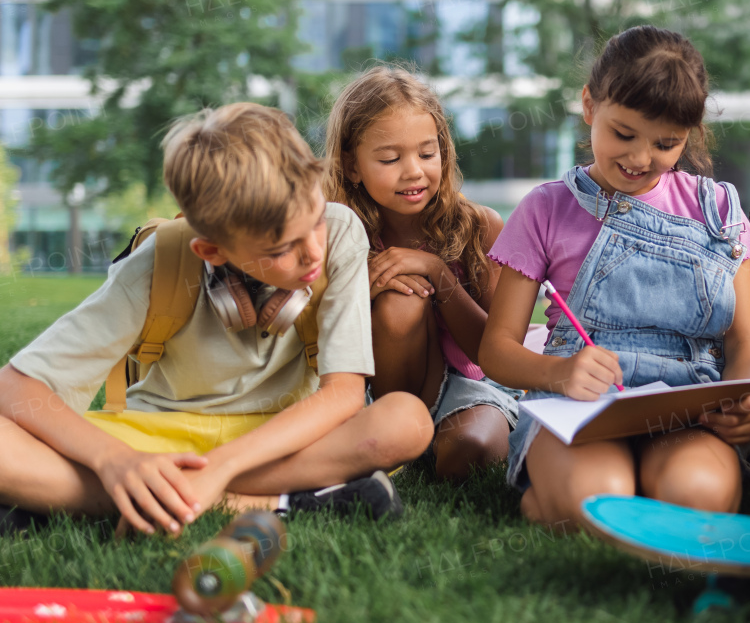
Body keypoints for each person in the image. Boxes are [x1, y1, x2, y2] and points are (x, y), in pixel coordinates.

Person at [0, 104, 434, 537]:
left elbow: (343, 395)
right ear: (211, 251)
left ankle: (106, 501)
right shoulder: (157, 265)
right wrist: (114, 461)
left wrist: (221, 468)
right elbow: (14, 386)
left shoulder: (341, 232)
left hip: (281, 438)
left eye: (316, 220)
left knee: (407, 421)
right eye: (281, 249)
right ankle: (286, 501)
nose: (313, 253)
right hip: (158, 439)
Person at [479, 26, 750, 529]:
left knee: (694, 501)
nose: (639, 159)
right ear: (589, 105)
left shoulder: (720, 210)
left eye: (666, 143)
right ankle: (553, 497)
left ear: (691, 133)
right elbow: (496, 350)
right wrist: (560, 373)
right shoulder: (546, 208)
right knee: (599, 506)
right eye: (623, 134)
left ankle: (558, 498)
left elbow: (746, 343)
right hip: (577, 408)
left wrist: (739, 400)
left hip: (686, 413)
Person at [324, 66, 519, 481]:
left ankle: (429, 442)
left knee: (473, 451)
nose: (413, 171)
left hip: (468, 388)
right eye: (390, 158)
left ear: (443, 153)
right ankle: (399, 439)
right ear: (352, 166)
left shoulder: (479, 227)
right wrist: (364, 292)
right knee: (400, 302)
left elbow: (496, 355)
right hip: (371, 393)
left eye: (427, 154)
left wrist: (437, 272)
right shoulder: (333, 233)